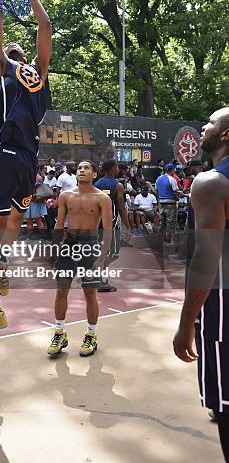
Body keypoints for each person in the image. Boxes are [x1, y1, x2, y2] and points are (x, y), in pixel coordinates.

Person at [0, 0, 52, 329]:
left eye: (17, 49)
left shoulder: (37, 75)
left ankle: (1, 263)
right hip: (4, 153)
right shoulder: (0, 71)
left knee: (17, 219)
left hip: (27, 157)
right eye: (9, 49)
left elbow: (46, 26)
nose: (14, 49)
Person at [173, 107, 229, 461]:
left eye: (210, 122)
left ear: (225, 135)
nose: (202, 127)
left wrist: (185, 324)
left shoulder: (211, 182)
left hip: (223, 307)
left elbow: (206, 260)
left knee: (225, 406)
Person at [47, 161, 112, 357]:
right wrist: (53, 249)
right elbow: (59, 224)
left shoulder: (102, 198)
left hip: (90, 245)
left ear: (94, 174)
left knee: (90, 294)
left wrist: (102, 258)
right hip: (69, 244)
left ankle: (91, 335)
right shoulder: (66, 196)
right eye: (79, 168)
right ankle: (59, 332)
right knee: (61, 291)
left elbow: (107, 230)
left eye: (86, 168)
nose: (82, 170)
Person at [94, 159, 131, 291]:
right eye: (116, 167)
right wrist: (128, 225)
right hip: (111, 223)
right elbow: (121, 207)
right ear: (113, 168)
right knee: (112, 254)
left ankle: (101, 280)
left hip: (98, 223)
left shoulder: (97, 183)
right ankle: (98, 278)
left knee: (103, 253)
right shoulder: (117, 185)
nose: (118, 169)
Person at [155, 163, 180, 244]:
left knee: (162, 222)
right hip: (171, 204)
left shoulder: (158, 178)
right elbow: (175, 192)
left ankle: (160, 241)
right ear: (172, 170)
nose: (175, 170)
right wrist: (178, 198)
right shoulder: (172, 179)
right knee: (171, 222)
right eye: (174, 169)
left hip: (161, 203)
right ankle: (170, 241)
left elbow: (157, 191)